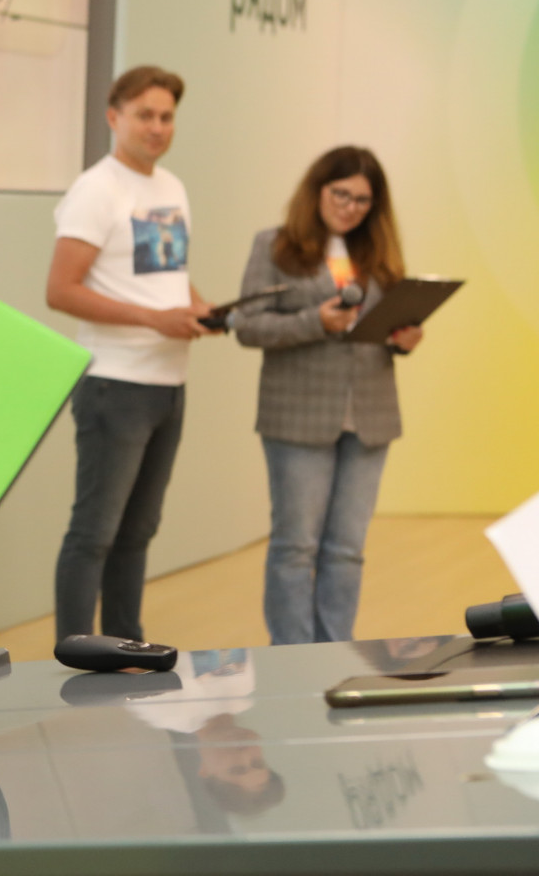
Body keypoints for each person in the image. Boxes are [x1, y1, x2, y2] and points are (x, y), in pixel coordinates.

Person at [45, 65, 218, 644]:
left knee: (138, 532)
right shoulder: (96, 190)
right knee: (94, 534)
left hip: (169, 384)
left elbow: (166, 275)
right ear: (113, 116)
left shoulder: (172, 188)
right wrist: (154, 319)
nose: (158, 126)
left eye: (167, 116)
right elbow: (60, 290)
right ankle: (75, 653)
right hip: (114, 386)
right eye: (145, 115)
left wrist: (199, 308)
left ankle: (126, 647)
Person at [232, 146, 422, 645]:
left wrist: (403, 338)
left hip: (369, 414)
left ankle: (335, 655)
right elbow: (247, 326)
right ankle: (293, 658)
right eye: (341, 194)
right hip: (298, 416)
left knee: (347, 550)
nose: (351, 207)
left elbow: (380, 325)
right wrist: (314, 321)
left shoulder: (378, 254)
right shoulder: (274, 246)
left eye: (363, 200)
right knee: (296, 547)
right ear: (317, 190)